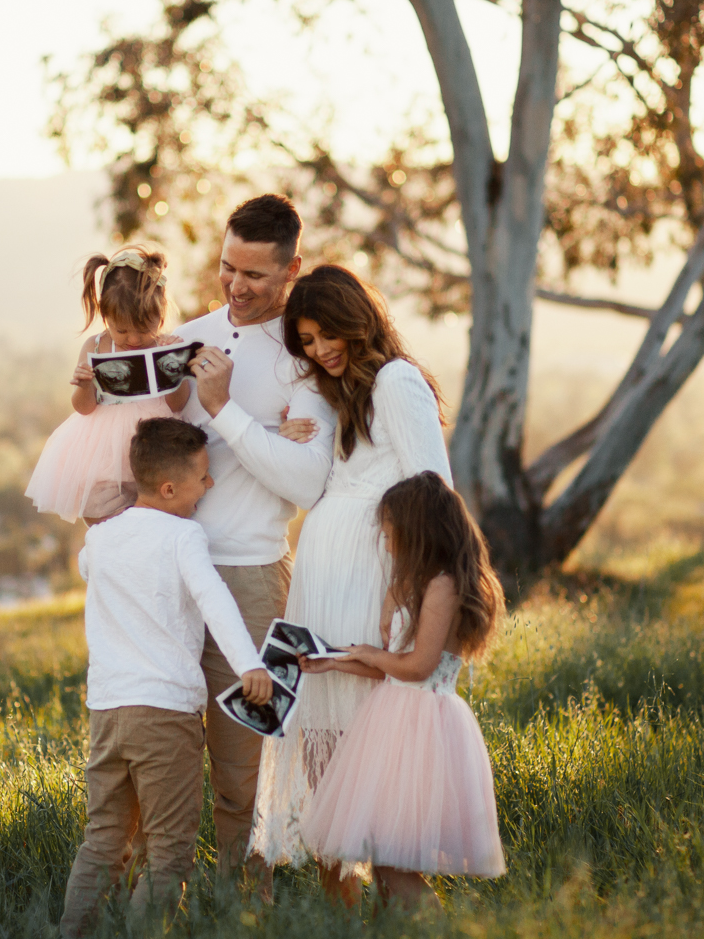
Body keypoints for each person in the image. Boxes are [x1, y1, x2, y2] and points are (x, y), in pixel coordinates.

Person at [248, 263, 450, 901]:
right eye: (306, 341)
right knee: (327, 777)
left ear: (357, 318)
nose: (319, 349)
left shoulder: (395, 381)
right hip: (324, 603)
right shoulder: (344, 398)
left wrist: (409, 593)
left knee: (378, 785)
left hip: (372, 597)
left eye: (326, 332)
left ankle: (402, 908)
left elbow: (432, 494)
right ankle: (340, 914)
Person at [59, 418, 277, 937]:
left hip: (108, 714)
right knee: (170, 853)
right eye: (204, 477)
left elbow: (89, 566)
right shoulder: (184, 536)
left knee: (104, 841)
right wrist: (249, 664)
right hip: (164, 716)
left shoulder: (102, 540)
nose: (211, 485)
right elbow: (214, 599)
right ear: (171, 488)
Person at [176, 195, 338, 884]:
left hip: (250, 578)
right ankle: (154, 903)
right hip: (168, 574)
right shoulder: (184, 340)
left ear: (292, 270)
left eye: (256, 276)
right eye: (226, 268)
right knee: (160, 753)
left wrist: (226, 412)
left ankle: (242, 906)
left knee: (243, 766)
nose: (236, 287)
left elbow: (305, 484)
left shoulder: (307, 361)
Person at [297, 471, 507, 909]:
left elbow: (418, 666)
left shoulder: (444, 585)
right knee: (383, 858)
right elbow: (391, 668)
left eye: (392, 534)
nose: (387, 543)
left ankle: (432, 923)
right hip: (391, 717)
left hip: (422, 724)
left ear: (419, 533)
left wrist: (370, 654)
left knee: (393, 862)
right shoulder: (408, 584)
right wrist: (334, 662)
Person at [26, 246, 190, 524]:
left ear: (161, 313)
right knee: (104, 516)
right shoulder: (97, 346)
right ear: (105, 317)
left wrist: (174, 369)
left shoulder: (164, 346)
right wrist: (83, 385)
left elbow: (178, 403)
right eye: (122, 330)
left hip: (154, 445)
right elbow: (84, 408)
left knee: (154, 517)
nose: (134, 340)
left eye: (144, 328)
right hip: (106, 450)